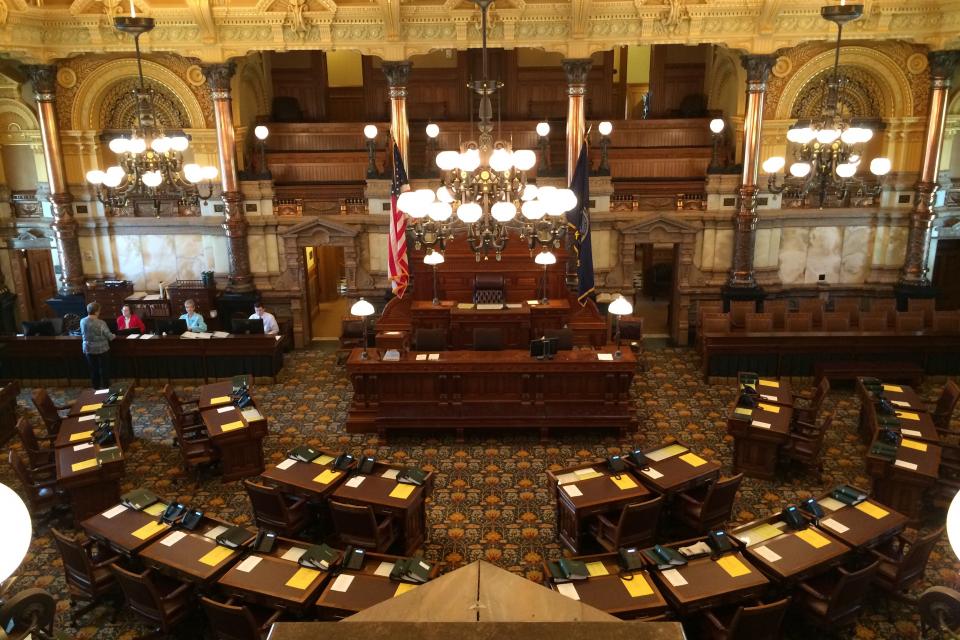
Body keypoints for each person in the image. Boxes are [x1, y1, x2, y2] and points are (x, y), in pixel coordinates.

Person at [80, 302, 115, 389]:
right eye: (99, 311)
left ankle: (95, 387)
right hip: (101, 349)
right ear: (96, 312)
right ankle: (106, 387)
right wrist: (114, 335)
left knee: (93, 369)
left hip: (88, 348)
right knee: (104, 369)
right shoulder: (101, 323)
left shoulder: (82, 321)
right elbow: (110, 337)